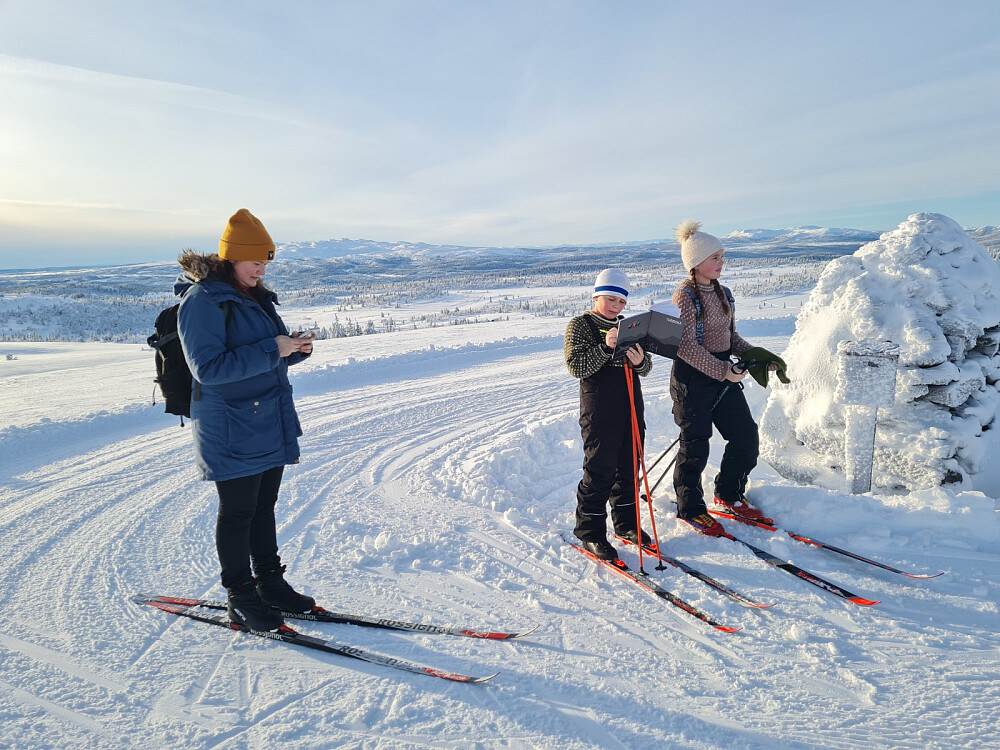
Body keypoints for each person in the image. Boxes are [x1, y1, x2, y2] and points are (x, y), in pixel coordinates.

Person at [176, 208, 316, 631]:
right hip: (231, 426)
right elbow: (209, 369)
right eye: (255, 260)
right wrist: (275, 348)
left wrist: (292, 351)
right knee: (238, 514)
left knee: (264, 508)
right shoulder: (203, 301)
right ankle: (240, 596)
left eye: (266, 261)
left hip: (267, 418)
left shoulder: (254, 296)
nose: (261, 268)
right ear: (230, 257)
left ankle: (270, 584)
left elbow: (264, 357)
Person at [669, 219, 777, 537]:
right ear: (696, 262)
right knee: (695, 445)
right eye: (714, 257)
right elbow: (686, 346)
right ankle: (690, 508)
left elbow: (731, 340)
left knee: (745, 436)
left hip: (722, 375)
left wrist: (757, 356)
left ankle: (728, 494)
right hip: (692, 379)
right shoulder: (684, 298)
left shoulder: (724, 294)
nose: (721, 262)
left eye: (721, 256)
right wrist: (723, 371)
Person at [564, 269, 653, 561]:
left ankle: (627, 525)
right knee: (600, 469)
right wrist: (605, 346)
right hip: (599, 408)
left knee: (629, 468)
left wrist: (640, 362)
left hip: (630, 405)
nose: (616, 306)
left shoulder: (631, 326)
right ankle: (589, 532)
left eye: (622, 302)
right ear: (596, 295)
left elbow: (646, 367)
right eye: (611, 299)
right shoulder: (581, 324)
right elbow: (576, 366)